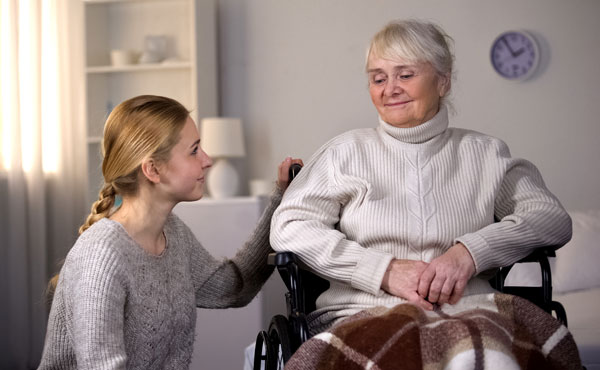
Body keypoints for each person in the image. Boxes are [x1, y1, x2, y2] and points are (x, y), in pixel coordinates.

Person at [270, 19, 573, 344]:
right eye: (378, 78)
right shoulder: (343, 153)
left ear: (443, 81)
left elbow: (551, 218)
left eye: (405, 74)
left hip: (471, 312)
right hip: (362, 315)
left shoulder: (485, 154)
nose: (390, 89)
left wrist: (469, 254)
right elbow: (289, 226)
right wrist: (383, 270)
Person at [38, 95, 303, 369]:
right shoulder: (102, 255)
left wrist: (280, 200)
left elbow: (234, 288)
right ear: (153, 169)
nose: (207, 160)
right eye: (194, 150)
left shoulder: (172, 234)